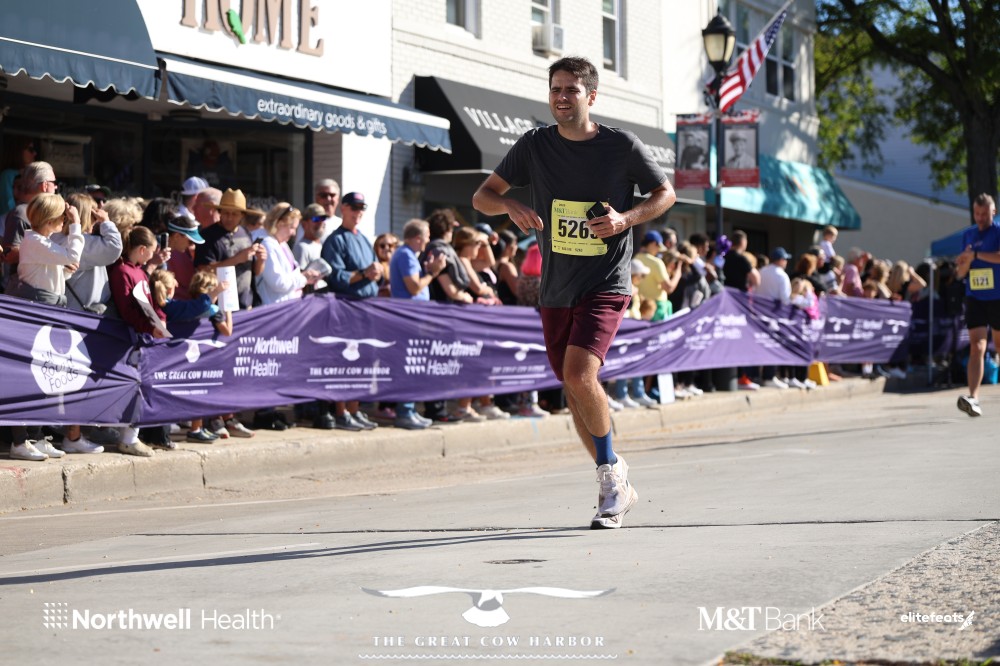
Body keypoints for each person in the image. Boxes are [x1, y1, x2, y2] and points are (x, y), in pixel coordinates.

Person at [472, 56, 675, 529]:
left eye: (571, 90)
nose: (561, 97)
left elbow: (664, 194)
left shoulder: (621, 145)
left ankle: (610, 479)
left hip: (606, 281)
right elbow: (482, 197)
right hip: (556, 287)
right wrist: (509, 206)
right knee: (572, 385)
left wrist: (625, 219)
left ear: (591, 96)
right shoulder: (534, 145)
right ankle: (613, 475)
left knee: (581, 375)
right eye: (555, 89)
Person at [320, 191, 380, 431]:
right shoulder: (335, 240)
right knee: (344, 361)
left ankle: (354, 409)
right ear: (343, 209)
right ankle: (341, 411)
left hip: (366, 307)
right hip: (346, 307)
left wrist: (376, 272)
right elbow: (335, 276)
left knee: (362, 361)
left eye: (361, 208)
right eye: (354, 208)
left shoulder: (363, 239)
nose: (358, 213)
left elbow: (374, 270)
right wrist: (364, 273)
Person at [388, 218, 447, 430]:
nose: (428, 241)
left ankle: (410, 409)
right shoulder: (405, 254)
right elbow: (413, 287)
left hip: (412, 317)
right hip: (408, 319)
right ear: (418, 238)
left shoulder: (407, 254)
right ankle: (405, 411)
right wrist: (432, 273)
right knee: (409, 364)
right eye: (427, 236)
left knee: (413, 363)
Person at [954, 193, 1000, 417]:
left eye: (984, 214)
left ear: (994, 212)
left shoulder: (998, 232)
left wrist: (976, 255)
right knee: (976, 347)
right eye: (977, 213)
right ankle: (973, 398)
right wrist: (964, 262)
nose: (980, 218)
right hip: (975, 297)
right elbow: (960, 273)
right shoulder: (968, 234)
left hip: (998, 296)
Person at [255, 203, 320, 304]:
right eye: (292, 228)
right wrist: (304, 278)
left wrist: (305, 275)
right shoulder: (267, 244)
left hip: (287, 305)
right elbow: (278, 283)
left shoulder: (281, 242)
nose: (294, 233)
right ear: (279, 223)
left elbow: (292, 272)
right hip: (274, 308)